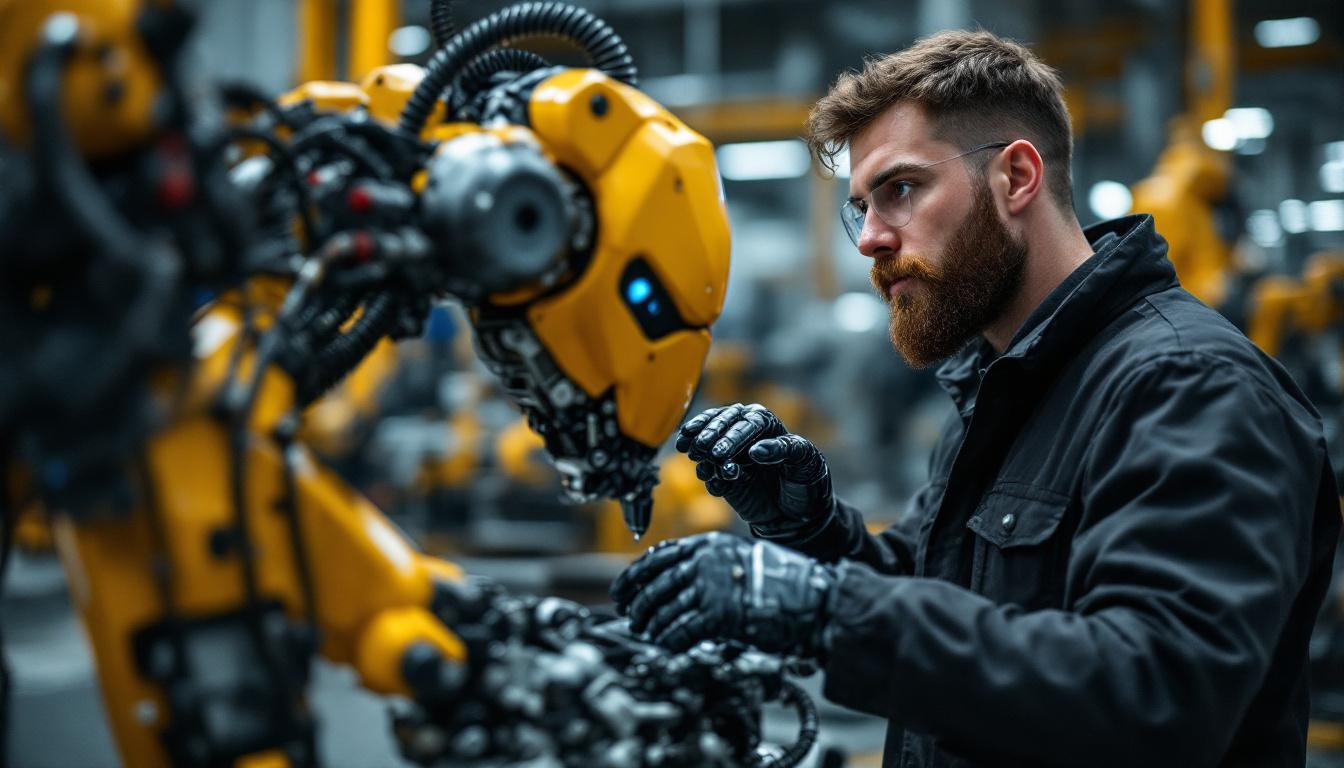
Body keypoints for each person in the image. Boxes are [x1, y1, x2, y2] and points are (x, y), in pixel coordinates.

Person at [610, 29, 1341, 767]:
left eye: (900, 189)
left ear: (1016, 177)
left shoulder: (1188, 387)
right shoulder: (1000, 385)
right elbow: (958, 608)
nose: (868, 240)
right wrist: (817, 538)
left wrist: (825, 612)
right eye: (859, 207)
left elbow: (1155, 695)